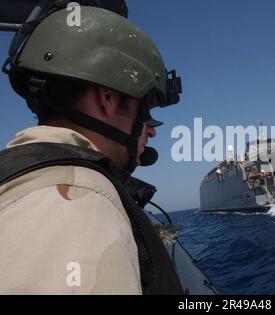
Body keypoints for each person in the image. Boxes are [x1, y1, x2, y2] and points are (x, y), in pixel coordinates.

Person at [0, 6, 183, 294]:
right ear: (107, 99)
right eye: (146, 107)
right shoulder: (77, 201)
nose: (151, 130)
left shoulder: (21, 173)